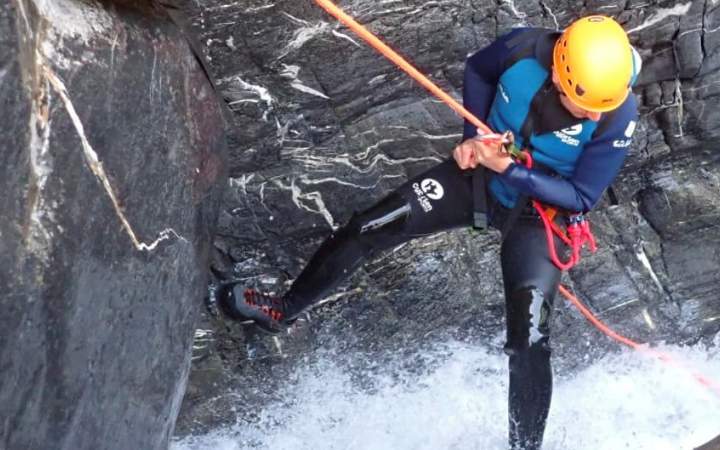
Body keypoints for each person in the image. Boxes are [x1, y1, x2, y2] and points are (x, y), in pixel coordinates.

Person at [219, 15, 640, 450]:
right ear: (557, 73)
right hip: (478, 177)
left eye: (601, 107)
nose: (594, 114)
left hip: (541, 214)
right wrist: (473, 137)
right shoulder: (520, 50)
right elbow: (479, 70)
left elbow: (581, 196)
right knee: (368, 227)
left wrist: (509, 168)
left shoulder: (617, 110)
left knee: (530, 339)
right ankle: (282, 310)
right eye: (584, 104)